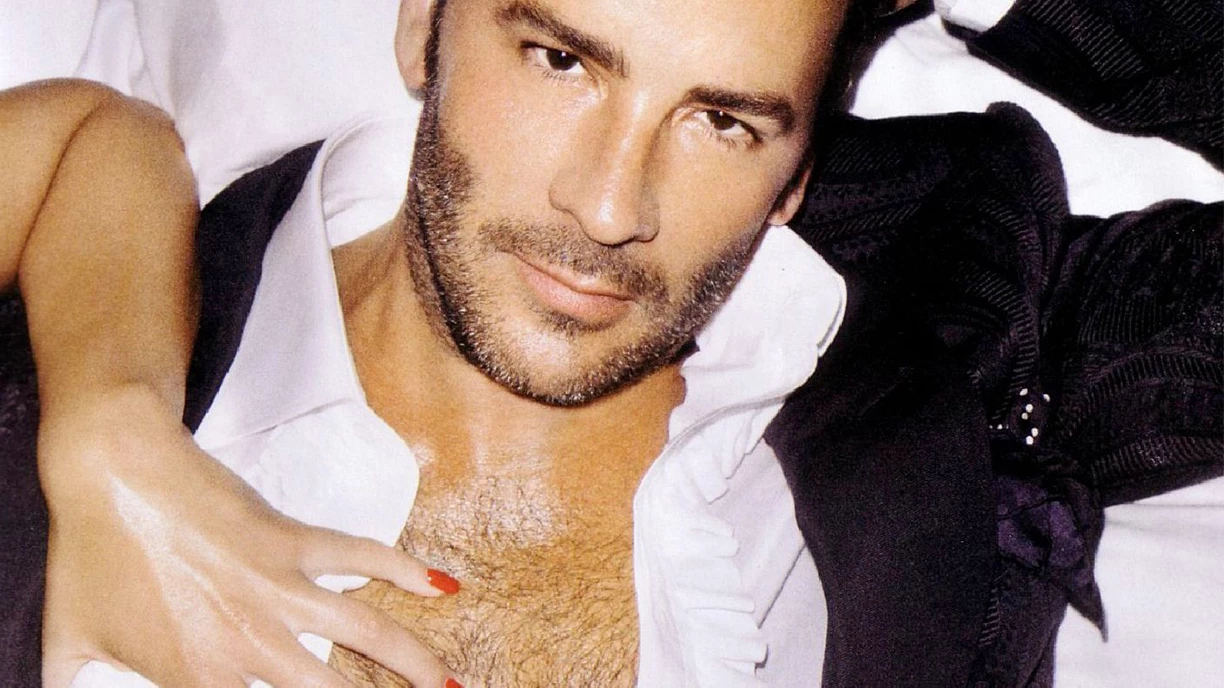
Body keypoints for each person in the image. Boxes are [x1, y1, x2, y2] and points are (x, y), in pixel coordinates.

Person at [1, 0, 1219, 686]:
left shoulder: (959, 341)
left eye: (722, 121)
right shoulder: (79, 312)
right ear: (424, 24)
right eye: (560, 60)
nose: (606, 206)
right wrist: (108, 427)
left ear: (797, 173)